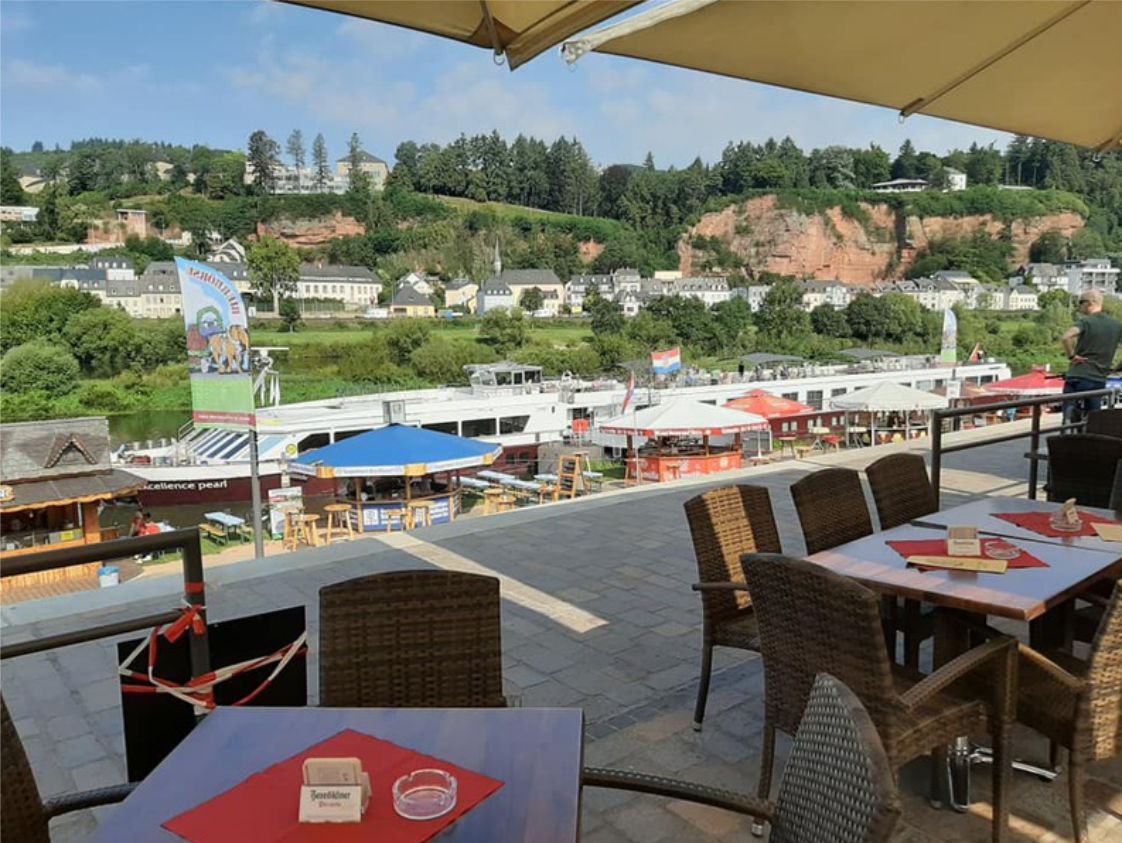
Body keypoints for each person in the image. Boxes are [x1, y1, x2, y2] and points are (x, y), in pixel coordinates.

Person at [1062, 290, 1122, 424]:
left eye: (1081, 302)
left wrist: (1072, 356)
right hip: (1098, 378)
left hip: (1077, 374)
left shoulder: (1086, 322)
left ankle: (1067, 423)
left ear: (1090, 303)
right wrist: (1118, 367)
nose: (1079, 306)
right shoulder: (1116, 326)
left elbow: (1066, 337)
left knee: (1069, 406)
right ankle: (1091, 436)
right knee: (1094, 416)